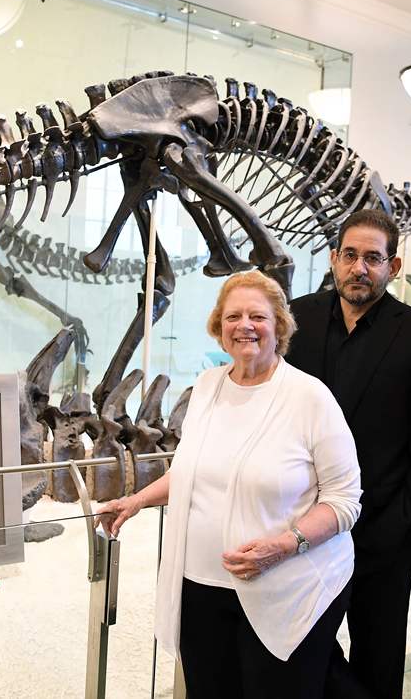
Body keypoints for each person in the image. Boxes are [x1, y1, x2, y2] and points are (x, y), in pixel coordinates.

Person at [97, 271, 362, 699]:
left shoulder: (310, 397)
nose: (244, 326)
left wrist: (284, 546)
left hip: (285, 589)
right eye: (233, 316)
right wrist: (136, 501)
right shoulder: (207, 386)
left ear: (279, 326)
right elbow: (190, 470)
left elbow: (344, 500)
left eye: (258, 316)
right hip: (200, 587)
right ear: (219, 327)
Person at [286, 208, 411, 698]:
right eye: (350, 255)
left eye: (372, 258)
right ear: (334, 258)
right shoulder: (297, 319)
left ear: (393, 266)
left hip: (382, 531)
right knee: (301, 654)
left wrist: (406, 527)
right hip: (300, 528)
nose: (358, 268)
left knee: (378, 658)